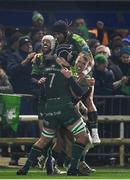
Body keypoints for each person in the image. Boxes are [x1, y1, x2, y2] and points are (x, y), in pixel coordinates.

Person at [16, 50, 92, 176]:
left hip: (50, 108)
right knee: (83, 137)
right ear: (72, 60)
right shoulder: (69, 71)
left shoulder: (48, 70)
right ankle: (73, 167)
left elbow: (42, 89)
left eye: (83, 63)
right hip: (65, 109)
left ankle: (27, 167)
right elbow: (78, 93)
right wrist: (74, 79)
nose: (80, 64)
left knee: (47, 139)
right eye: (79, 61)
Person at [52, 20, 100, 144]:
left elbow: (91, 60)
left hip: (83, 71)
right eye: (55, 34)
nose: (56, 37)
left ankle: (95, 132)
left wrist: (85, 73)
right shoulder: (57, 42)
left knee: (89, 99)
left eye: (58, 34)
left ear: (64, 32)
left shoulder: (78, 40)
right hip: (69, 75)